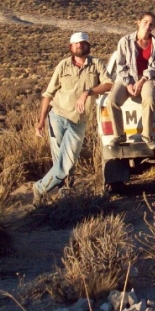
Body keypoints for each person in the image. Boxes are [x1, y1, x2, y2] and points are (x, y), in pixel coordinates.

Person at [33, 31, 113, 204]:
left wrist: (89, 92)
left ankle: (40, 188)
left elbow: (109, 84)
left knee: (68, 160)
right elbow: (48, 94)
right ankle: (65, 196)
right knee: (60, 160)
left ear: (88, 46)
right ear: (71, 47)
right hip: (57, 116)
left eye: (83, 43)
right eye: (76, 43)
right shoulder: (63, 66)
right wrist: (41, 121)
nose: (80, 46)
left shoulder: (96, 64)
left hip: (78, 120)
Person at [106, 12, 155, 150]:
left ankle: (147, 135)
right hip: (126, 78)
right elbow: (120, 65)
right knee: (111, 101)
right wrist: (129, 83)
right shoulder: (125, 41)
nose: (148, 26)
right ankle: (119, 135)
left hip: (146, 78)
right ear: (138, 22)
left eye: (151, 24)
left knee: (149, 98)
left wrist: (142, 81)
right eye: (145, 22)